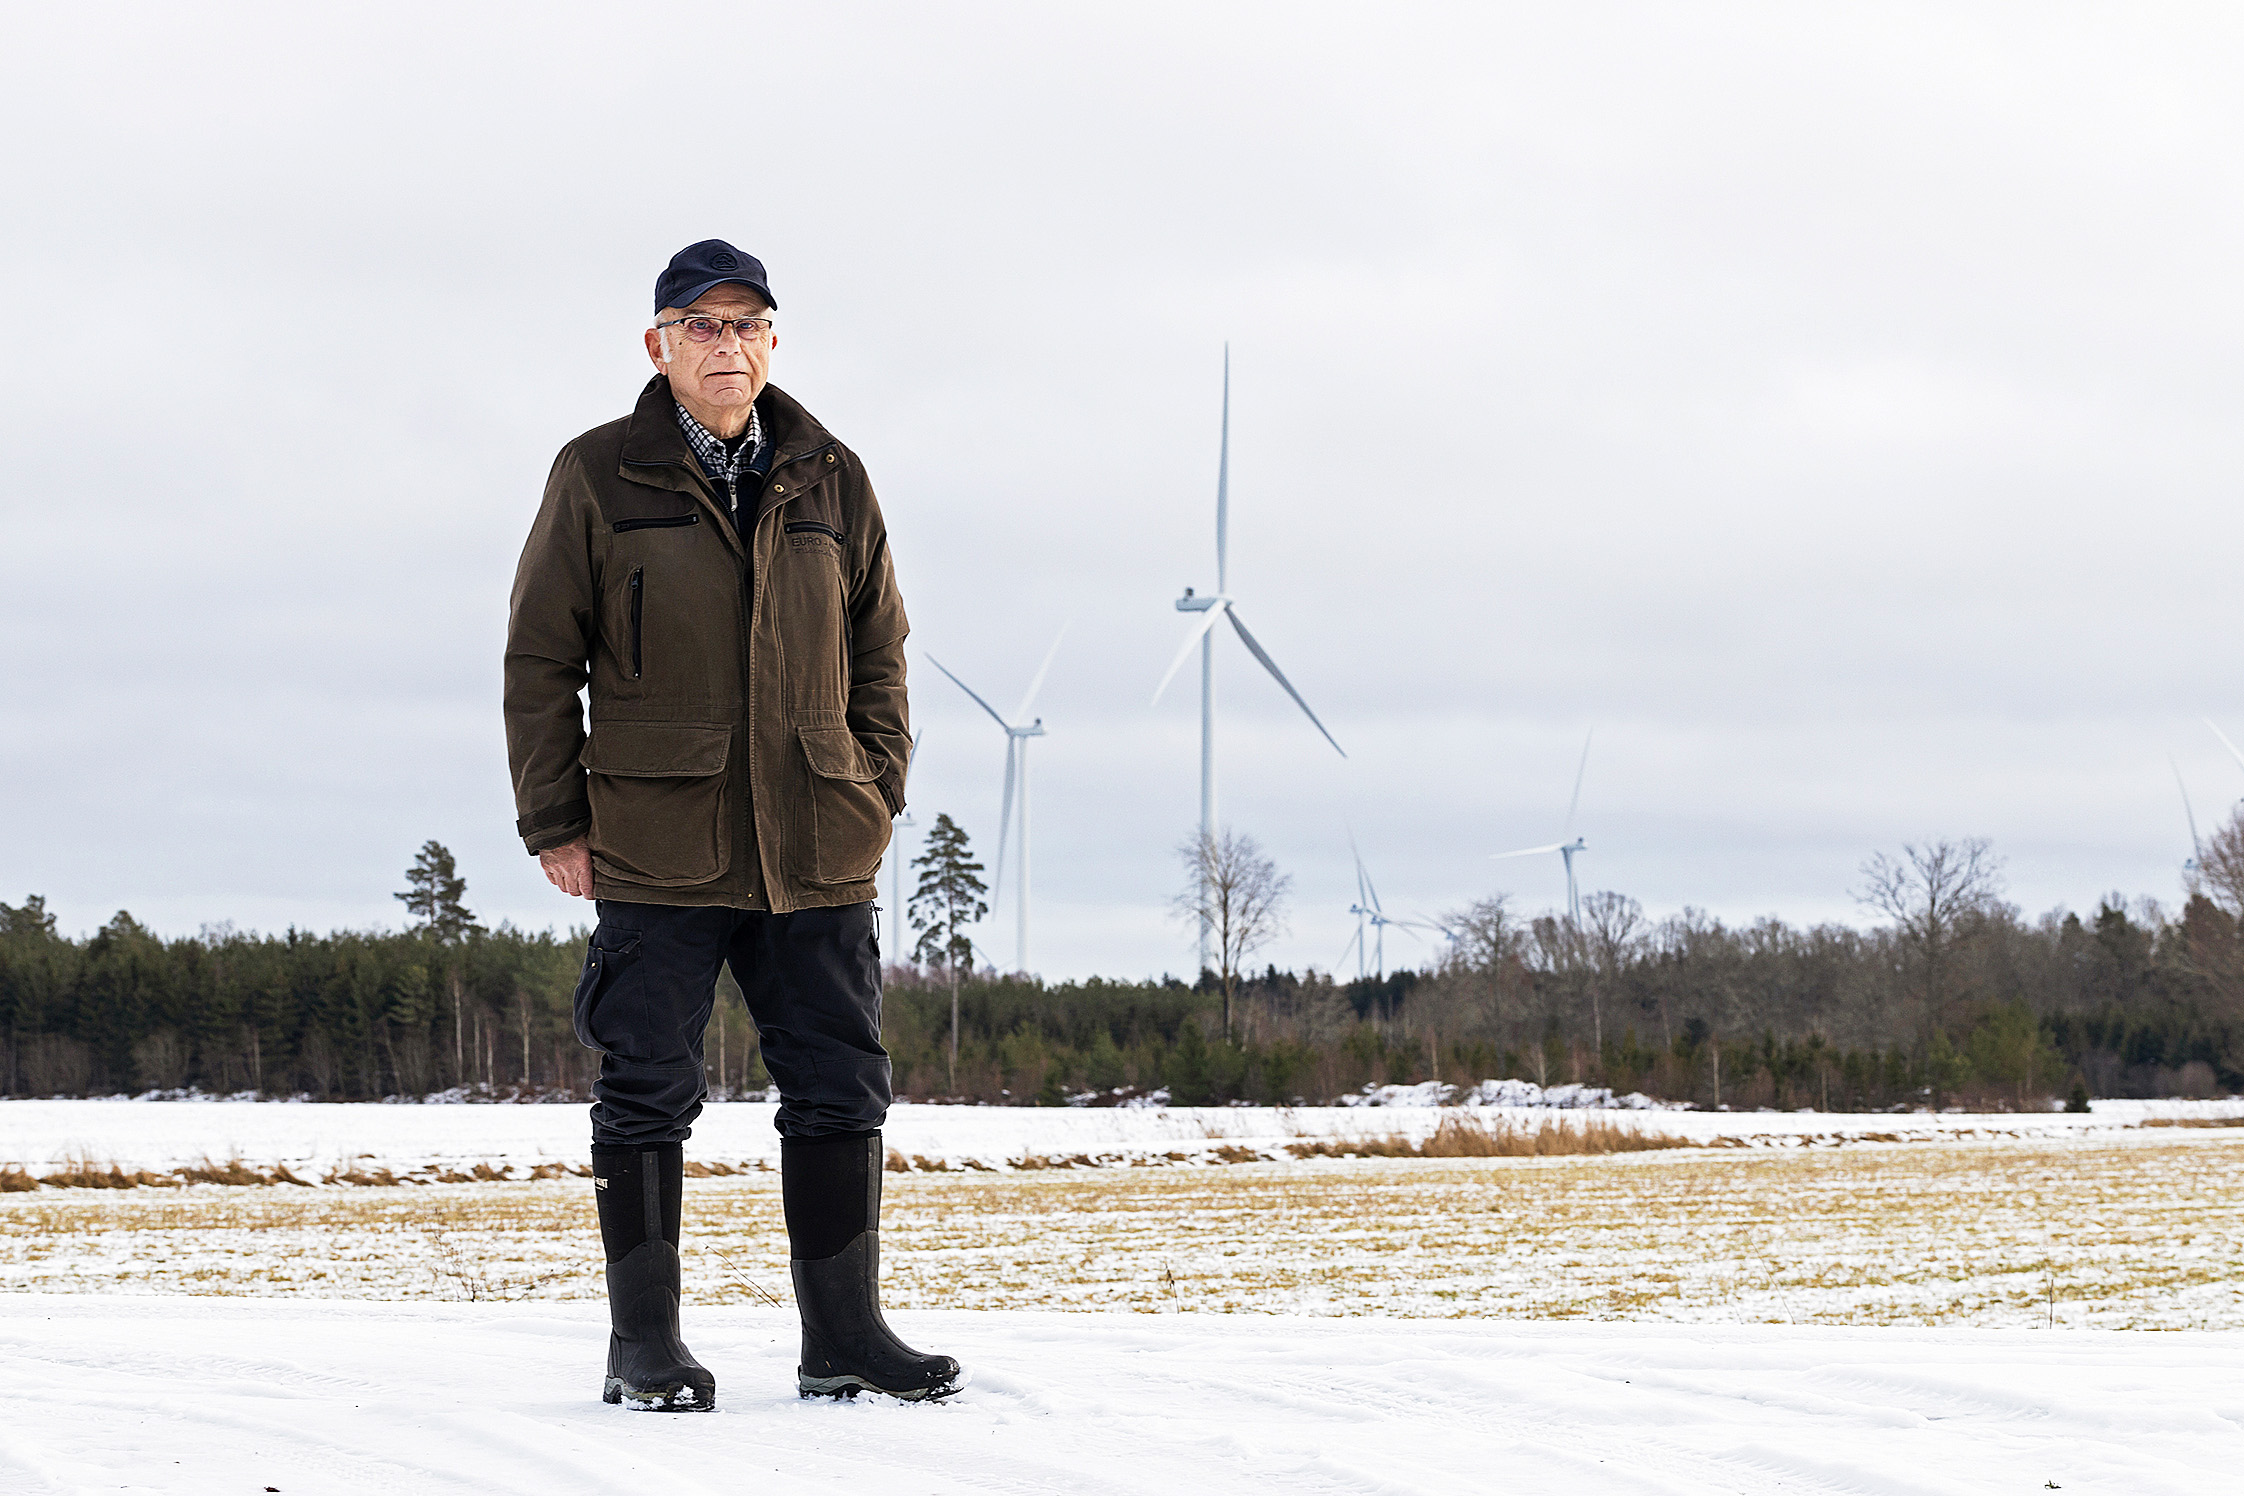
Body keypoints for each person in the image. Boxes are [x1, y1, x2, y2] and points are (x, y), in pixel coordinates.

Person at [504, 239, 958, 1410]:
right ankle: (643, 1343)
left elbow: (881, 648)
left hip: (816, 843)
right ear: (656, 344)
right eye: (700, 325)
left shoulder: (832, 475)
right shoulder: (599, 474)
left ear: (774, 341)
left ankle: (844, 1336)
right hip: (658, 839)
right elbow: (541, 657)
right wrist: (557, 815)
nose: (726, 345)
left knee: (841, 1083)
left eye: (747, 323)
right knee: (647, 1085)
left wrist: (876, 785)